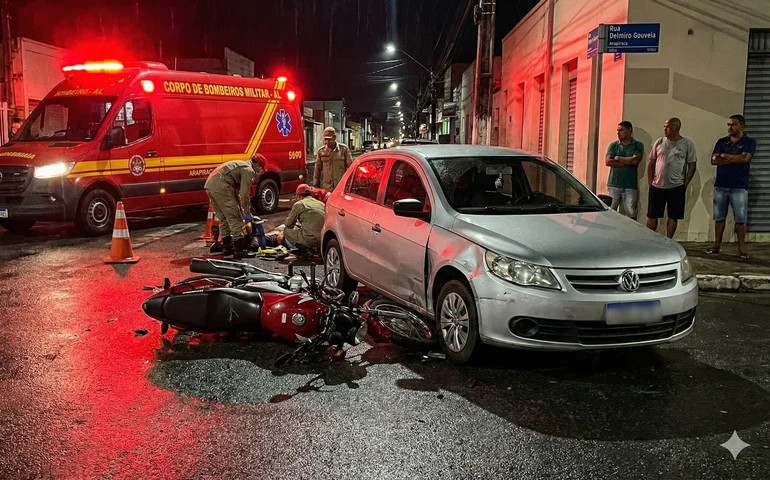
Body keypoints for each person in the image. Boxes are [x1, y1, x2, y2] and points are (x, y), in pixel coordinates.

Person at [707, 114, 756, 259]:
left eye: (733, 124)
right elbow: (714, 160)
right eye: (728, 124)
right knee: (719, 218)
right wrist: (735, 158)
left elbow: (745, 158)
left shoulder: (749, 142)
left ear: (741, 125)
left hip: (739, 186)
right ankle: (717, 245)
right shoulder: (722, 142)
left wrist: (725, 156)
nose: (729, 127)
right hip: (721, 185)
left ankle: (741, 248)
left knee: (740, 219)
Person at [204, 154, 266, 258]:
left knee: (224, 218)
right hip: (221, 186)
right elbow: (244, 194)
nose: (261, 171)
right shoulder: (249, 170)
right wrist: (246, 212)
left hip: (210, 185)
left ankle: (227, 246)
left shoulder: (241, 165)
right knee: (234, 216)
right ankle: (239, 249)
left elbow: (236, 193)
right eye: (261, 167)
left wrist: (241, 207)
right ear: (256, 164)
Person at [646, 118, 697, 238]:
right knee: (652, 215)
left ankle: (669, 240)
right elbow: (651, 163)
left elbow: (692, 165)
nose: (665, 129)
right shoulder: (659, 142)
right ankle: (650, 239)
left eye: (668, 127)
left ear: (676, 128)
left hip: (676, 186)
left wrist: (685, 183)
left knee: (673, 216)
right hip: (657, 185)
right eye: (664, 126)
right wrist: (650, 182)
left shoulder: (686, 144)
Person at [605, 121, 644, 218]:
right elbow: (608, 162)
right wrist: (627, 162)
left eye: (621, 130)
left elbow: (635, 161)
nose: (618, 133)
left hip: (630, 185)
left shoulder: (637, 145)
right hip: (614, 184)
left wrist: (618, 158)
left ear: (629, 130)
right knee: (610, 212)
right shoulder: (613, 145)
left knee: (631, 212)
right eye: (617, 131)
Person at [280, 184, 326, 257]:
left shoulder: (299, 204)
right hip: (324, 238)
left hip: (310, 239)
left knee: (286, 230)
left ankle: (304, 249)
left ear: (298, 196)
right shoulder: (321, 203)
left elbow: (288, 224)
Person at [313, 126, 353, 191]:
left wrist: (349, 183)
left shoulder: (344, 150)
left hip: (341, 187)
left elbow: (351, 168)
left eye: (329, 139)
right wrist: (315, 186)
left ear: (334, 137)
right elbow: (317, 170)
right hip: (327, 188)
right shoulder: (321, 152)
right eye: (325, 139)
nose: (327, 142)